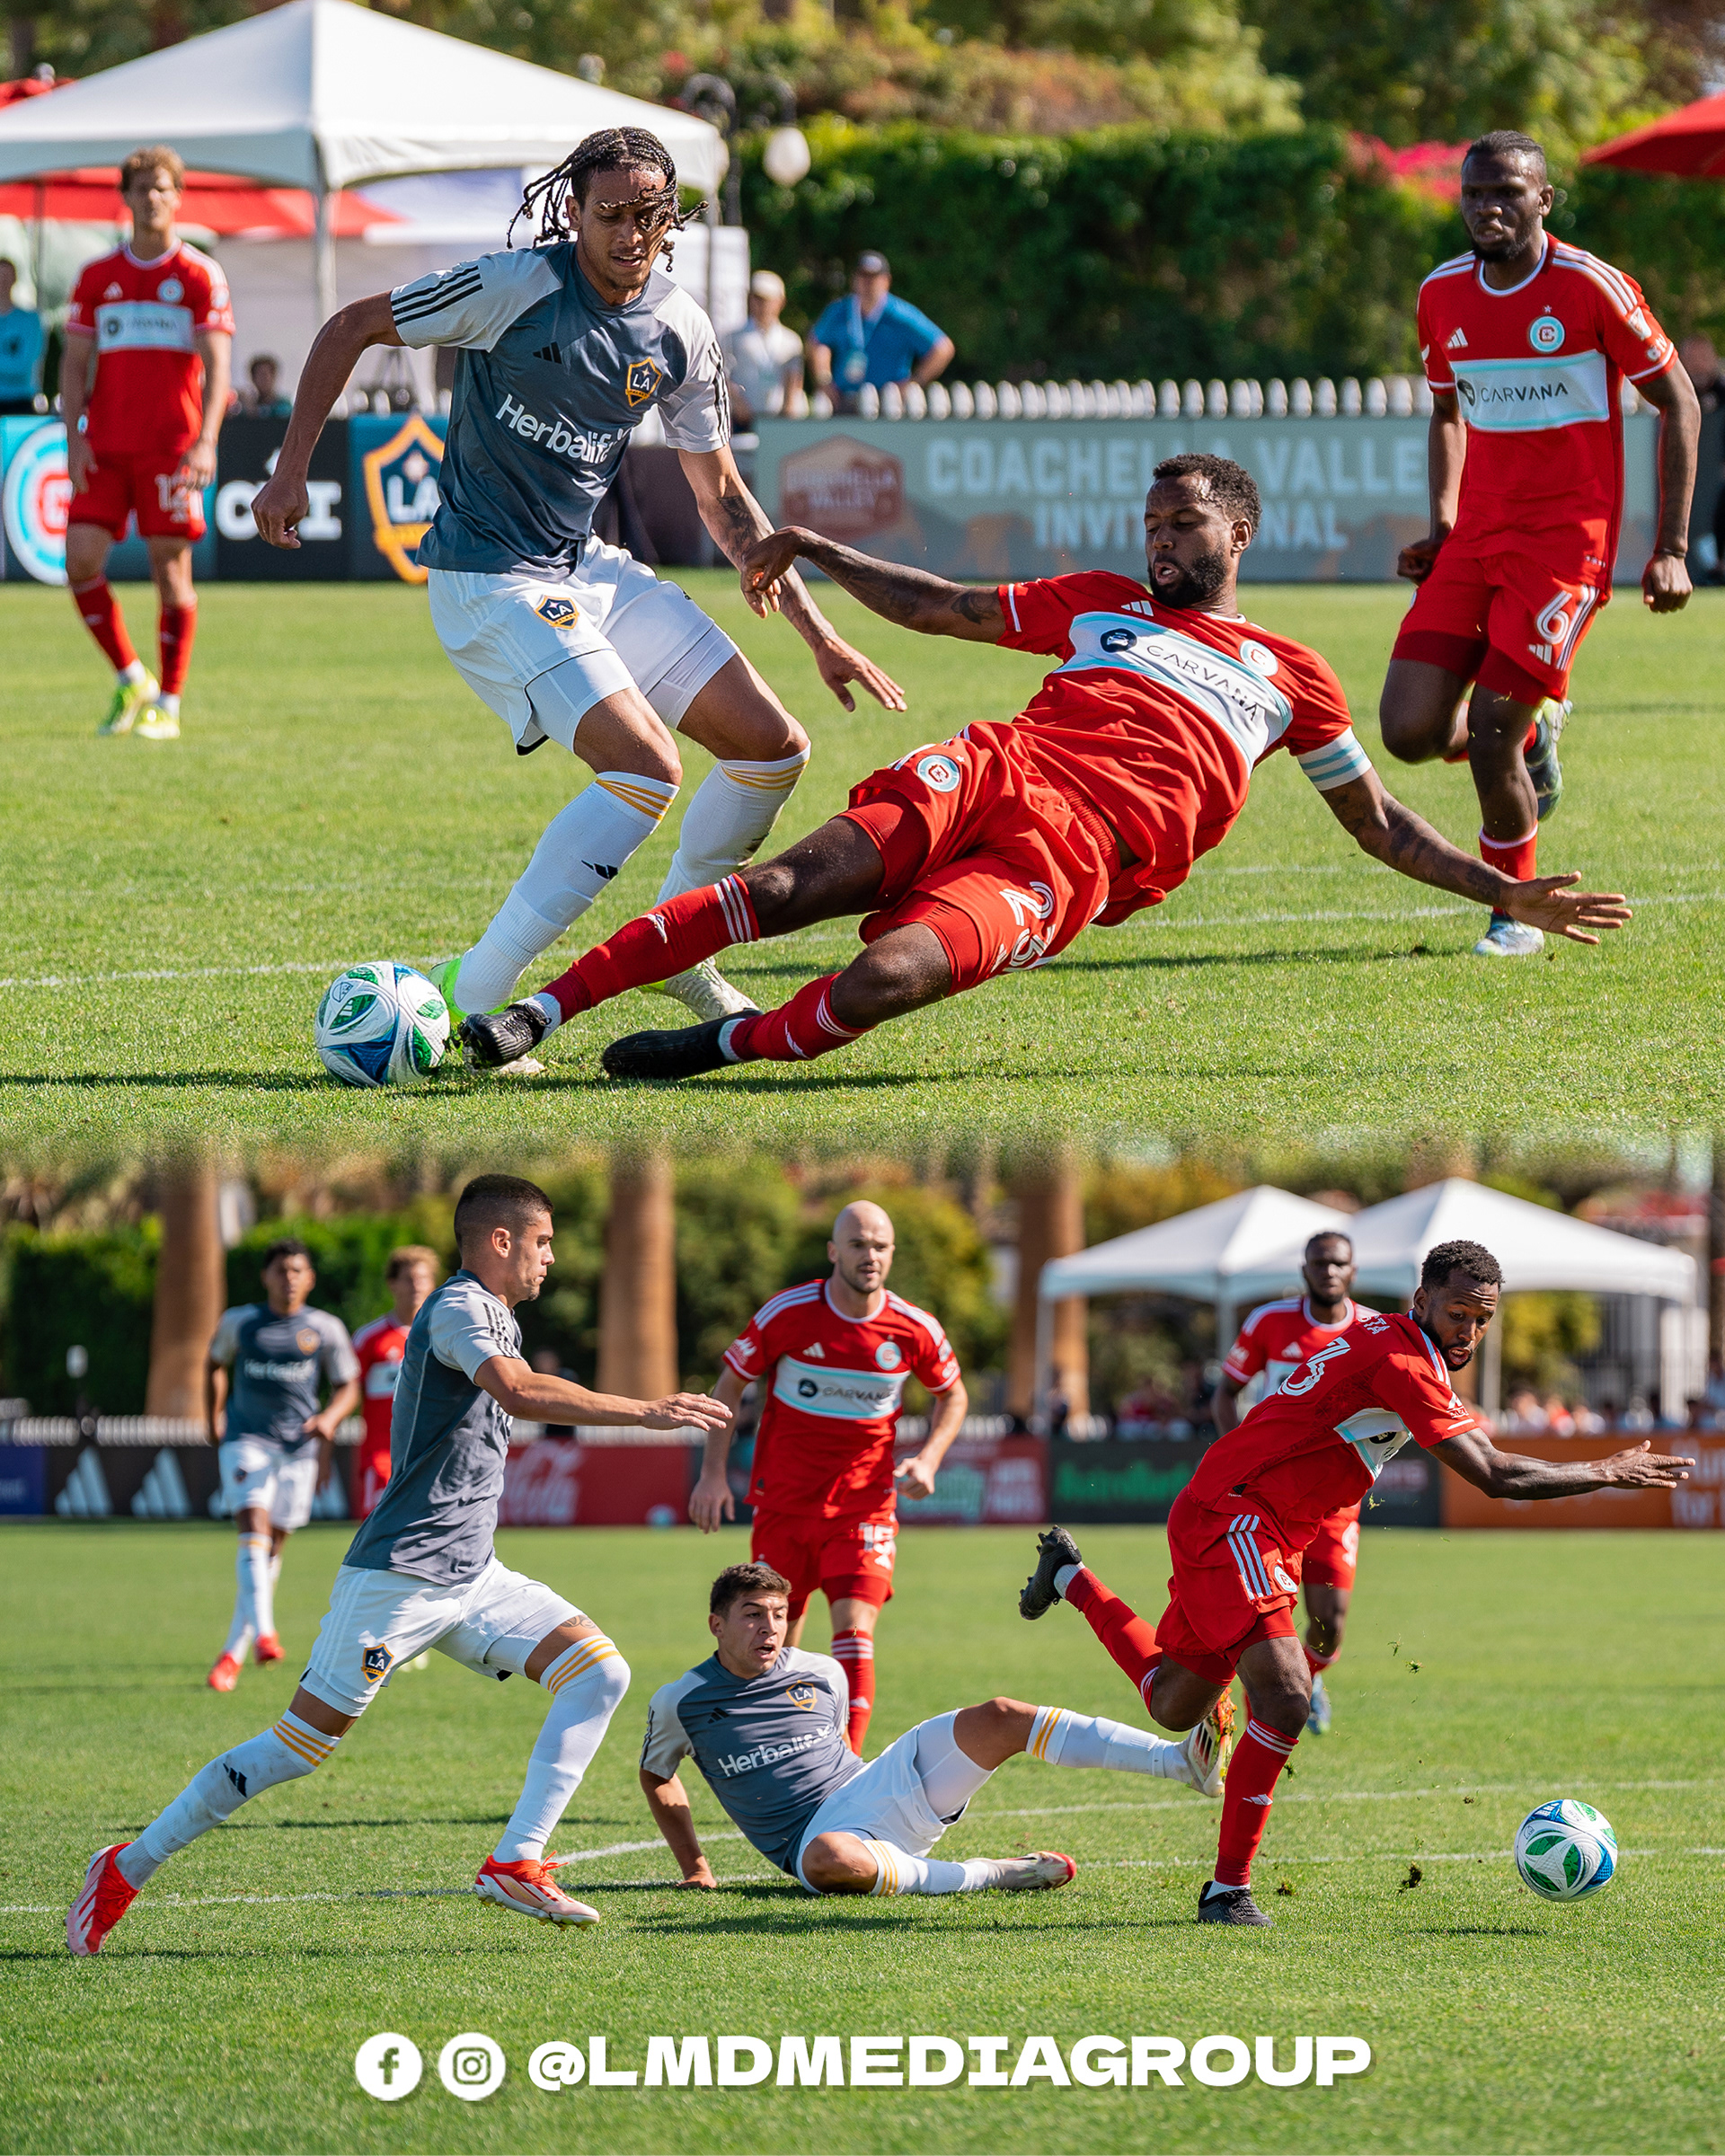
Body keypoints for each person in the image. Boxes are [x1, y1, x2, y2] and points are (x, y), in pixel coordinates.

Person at [458, 454, 1632, 1083]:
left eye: (1184, 525)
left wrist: (1504, 891)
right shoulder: (1100, 603)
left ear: (1239, 534)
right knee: (776, 891)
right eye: (1153, 524)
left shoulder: (1293, 676)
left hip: (1069, 864)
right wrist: (819, 549)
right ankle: (539, 1013)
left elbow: (1379, 823)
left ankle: (726, 1044)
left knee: (884, 981)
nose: (1161, 540)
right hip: (994, 769)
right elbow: (947, 606)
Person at [250, 127, 903, 1038]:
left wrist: (818, 635)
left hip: (579, 564)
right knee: (646, 770)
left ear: (669, 219)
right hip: (486, 578)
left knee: (772, 749)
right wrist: (288, 473)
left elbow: (724, 499)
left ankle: (679, 952)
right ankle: (477, 993)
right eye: (610, 215)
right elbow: (349, 325)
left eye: (648, 215)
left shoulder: (680, 329)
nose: (630, 234)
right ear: (574, 212)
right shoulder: (511, 288)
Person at [67, 1174, 730, 1956]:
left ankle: (515, 1861)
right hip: (399, 1577)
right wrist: (646, 1410)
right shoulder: (457, 1309)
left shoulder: (499, 1315)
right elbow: (517, 1393)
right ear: (501, 1241)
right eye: (543, 1242)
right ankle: (125, 1867)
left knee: (599, 1672)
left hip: (474, 1575)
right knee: (295, 1748)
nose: (552, 1257)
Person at [1017, 1238, 1694, 1927]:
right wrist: (1605, 1471)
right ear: (1422, 1300)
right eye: (1458, 1313)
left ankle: (1069, 1576)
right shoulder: (1402, 1360)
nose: (1469, 1331)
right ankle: (1227, 1892)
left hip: (1249, 1516)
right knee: (1287, 1696)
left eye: (1482, 1319)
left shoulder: (1400, 1343)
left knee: (1172, 1705)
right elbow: (1494, 1475)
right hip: (1239, 1515)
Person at [1378, 130, 1698, 960]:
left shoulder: (1590, 286)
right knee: (1408, 730)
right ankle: (1536, 736)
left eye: (1507, 192)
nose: (1487, 207)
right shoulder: (1441, 293)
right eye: (1475, 192)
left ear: (1544, 200)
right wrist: (1443, 524)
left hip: (1566, 547)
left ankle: (1513, 915)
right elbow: (1446, 412)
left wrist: (1670, 547)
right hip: (1477, 538)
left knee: (1489, 729)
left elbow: (1680, 402)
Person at [637, 1561, 1230, 1898]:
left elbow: (839, 1747)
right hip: (819, 1839)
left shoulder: (820, 1672)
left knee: (1002, 1716)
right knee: (827, 1860)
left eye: (778, 1615)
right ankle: (995, 1873)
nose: (769, 1629)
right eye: (751, 1616)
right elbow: (656, 1775)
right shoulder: (681, 1701)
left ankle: (1179, 1762)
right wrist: (696, 1868)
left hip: (877, 1783)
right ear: (716, 1625)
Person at [690, 1200, 966, 1754]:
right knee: (774, 1641)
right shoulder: (788, 1313)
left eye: (880, 1246)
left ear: (892, 1253)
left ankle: (848, 1766)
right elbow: (730, 1384)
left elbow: (952, 1395)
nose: (870, 1256)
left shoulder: (915, 1328)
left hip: (864, 1506)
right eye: (858, 1244)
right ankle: (783, 1754)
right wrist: (712, 1475)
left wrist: (930, 1459)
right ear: (834, 1251)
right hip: (785, 1505)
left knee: (855, 1632)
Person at [62, 146, 233, 742]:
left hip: (171, 448)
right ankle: (131, 677)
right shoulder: (96, 276)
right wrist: (74, 438)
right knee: (79, 560)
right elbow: (74, 364)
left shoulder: (199, 274)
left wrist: (206, 441)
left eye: (162, 187)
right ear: (126, 198)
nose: (152, 198)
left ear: (178, 196)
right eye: (141, 188)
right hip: (106, 447)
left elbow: (218, 365)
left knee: (170, 571)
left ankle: (170, 702)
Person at [1213, 1230, 1365, 1737]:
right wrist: (1239, 1458)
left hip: (1335, 1501)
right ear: (1305, 1270)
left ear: (1353, 1271)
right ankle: (1268, 1700)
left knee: (1329, 1627)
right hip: (1272, 1498)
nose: (1329, 1271)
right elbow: (1226, 1392)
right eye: (1319, 1263)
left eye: (1338, 1263)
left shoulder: (1371, 1329)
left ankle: (1307, 1679)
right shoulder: (1269, 1322)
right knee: (1260, 1616)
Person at [205, 1239, 361, 1691]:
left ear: (309, 1279)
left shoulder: (325, 1328)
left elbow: (348, 1384)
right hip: (246, 1441)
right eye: (280, 1270)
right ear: (265, 1277)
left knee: (271, 1550)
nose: (288, 1278)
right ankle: (266, 1634)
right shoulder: (240, 1321)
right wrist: (211, 1415)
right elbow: (213, 1363)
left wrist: (330, 1418)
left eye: (296, 1271)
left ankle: (232, 1654)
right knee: (252, 1531)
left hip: (299, 1450)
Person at [350, 1245, 442, 1517]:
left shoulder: (445, 1337)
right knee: (378, 1535)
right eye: (409, 1279)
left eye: (423, 1278)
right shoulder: (369, 1339)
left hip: (431, 1456)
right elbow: (348, 1393)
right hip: (382, 1457)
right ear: (393, 1284)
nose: (416, 1286)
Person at [808, 251, 954, 414]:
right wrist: (824, 379)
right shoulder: (839, 311)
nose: (868, 282)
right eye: (863, 276)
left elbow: (943, 348)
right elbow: (817, 342)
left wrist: (915, 381)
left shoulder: (900, 315)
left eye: (874, 277)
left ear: (886, 280)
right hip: (844, 400)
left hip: (889, 404)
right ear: (854, 279)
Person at [721, 270, 804, 426]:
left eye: (767, 300)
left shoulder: (791, 341)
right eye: (757, 298)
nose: (762, 305)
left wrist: (789, 411)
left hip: (780, 421)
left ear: (781, 302)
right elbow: (723, 376)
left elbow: (795, 380)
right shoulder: (732, 338)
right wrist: (736, 401)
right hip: (741, 420)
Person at [0, 258, 45, 415]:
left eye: (6, 277)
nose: (2, 282)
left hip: (20, 402)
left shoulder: (30, 320)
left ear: (14, 280)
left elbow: (24, 364)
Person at [238, 352, 293, 419]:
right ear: (253, 378)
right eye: (259, 375)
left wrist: (253, 411)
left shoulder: (284, 405)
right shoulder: (247, 406)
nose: (264, 380)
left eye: (266, 375)